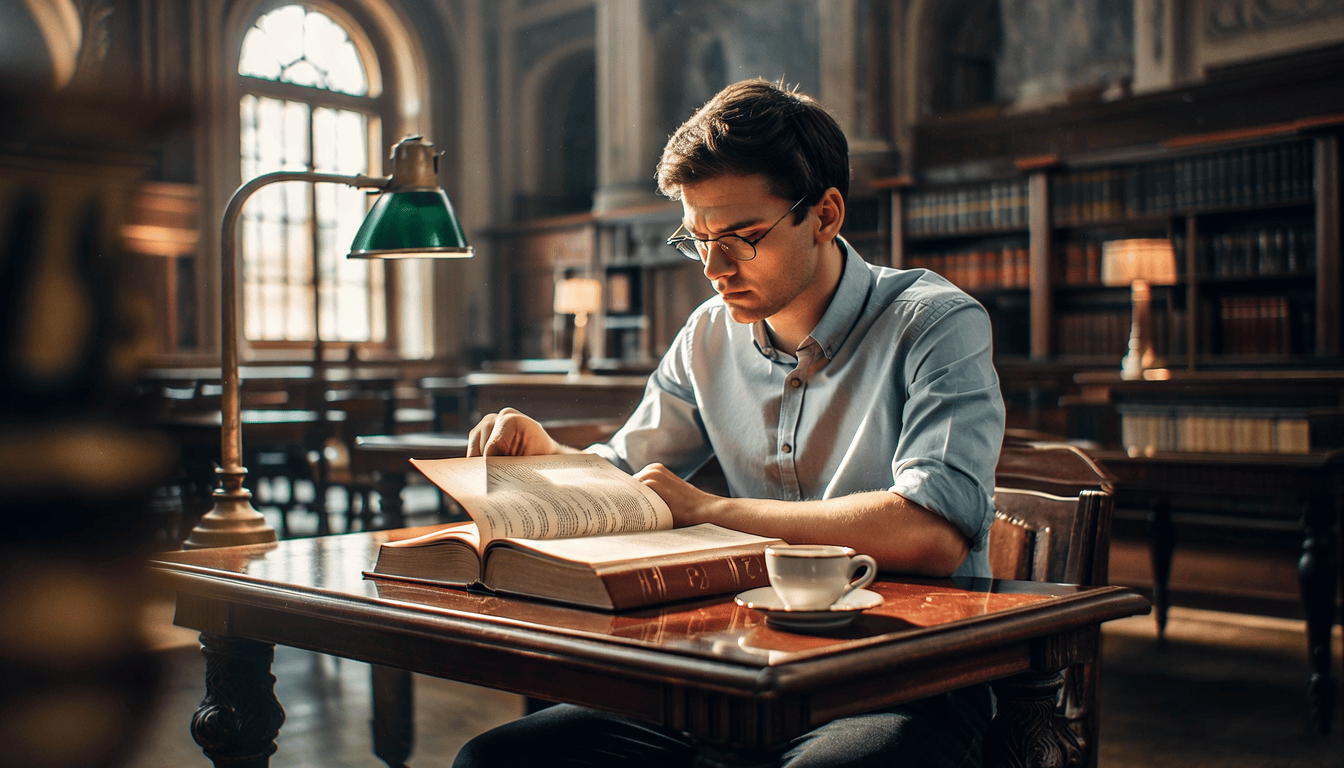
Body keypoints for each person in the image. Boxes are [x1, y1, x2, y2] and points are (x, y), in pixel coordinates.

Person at [455, 78, 1005, 768]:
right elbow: (631, 480)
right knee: (497, 762)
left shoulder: (934, 322)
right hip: (735, 671)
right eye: (698, 239)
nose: (714, 269)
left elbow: (931, 534)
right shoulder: (707, 335)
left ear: (826, 213)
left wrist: (713, 510)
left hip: (904, 681)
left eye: (743, 238)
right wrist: (552, 459)